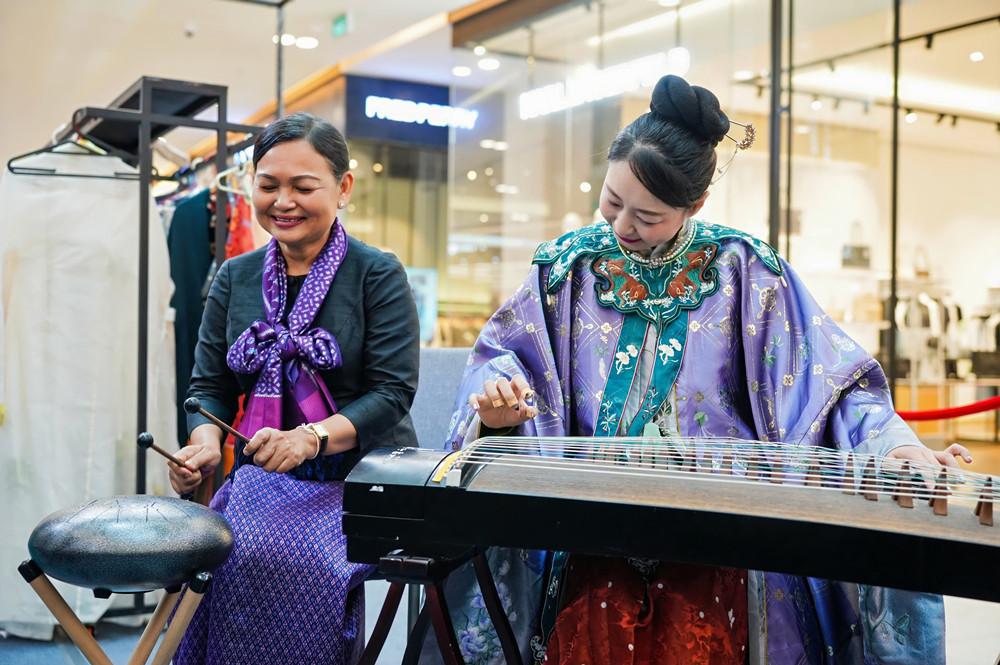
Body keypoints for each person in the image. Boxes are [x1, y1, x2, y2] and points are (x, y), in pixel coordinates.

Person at [436, 76, 971, 665]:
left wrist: (895, 446)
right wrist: (499, 409)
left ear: (695, 206)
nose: (621, 226)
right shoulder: (566, 269)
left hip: (722, 531)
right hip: (591, 527)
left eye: (647, 215)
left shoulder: (746, 271)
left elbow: (831, 385)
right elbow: (504, 358)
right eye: (611, 201)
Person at [167, 112, 420, 664]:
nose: (283, 202)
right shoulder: (234, 276)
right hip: (262, 478)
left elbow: (391, 393)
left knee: (292, 561)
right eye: (268, 185)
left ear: (343, 187)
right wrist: (203, 446)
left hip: (359, 481)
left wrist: (310, 438)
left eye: (303, 187)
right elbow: (208, 386)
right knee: (212, 557)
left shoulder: (377, 273)